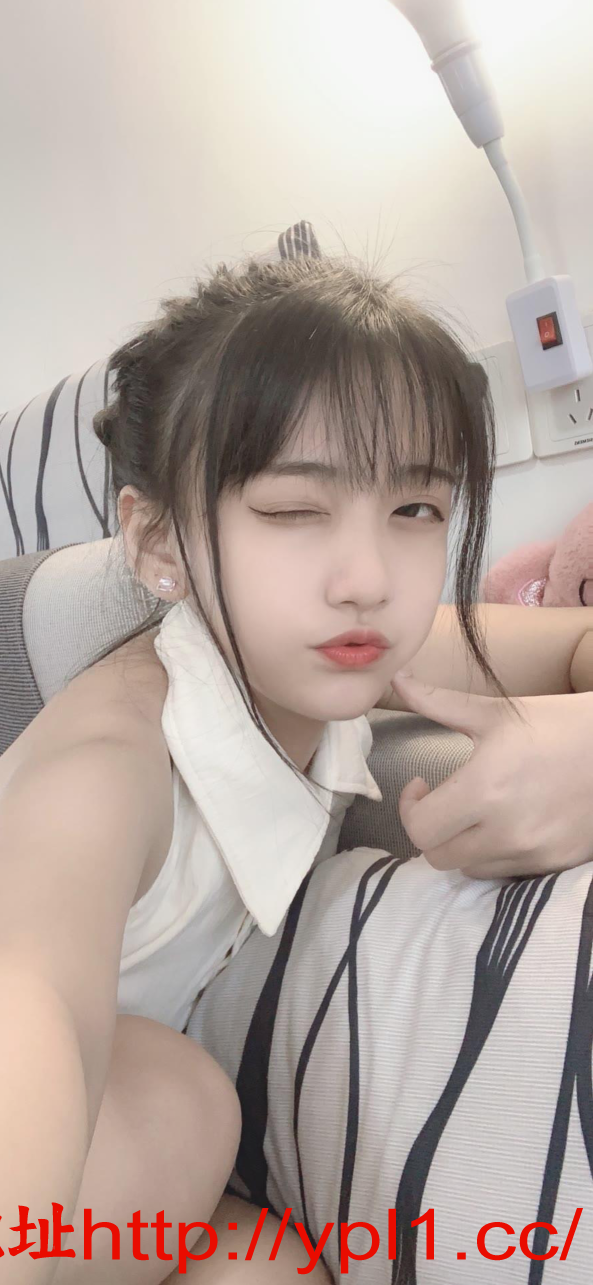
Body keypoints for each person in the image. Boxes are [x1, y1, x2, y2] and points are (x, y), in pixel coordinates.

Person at [1, 253, 592, 1285]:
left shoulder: (345, 648)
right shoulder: (110, 763)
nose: (366, 577)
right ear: (157, 542)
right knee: (182, 1101)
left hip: (144, 1133)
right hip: (105, 1117)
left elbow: (573, 642)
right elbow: (29, 999)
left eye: (415, 508)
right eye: (290, 509)